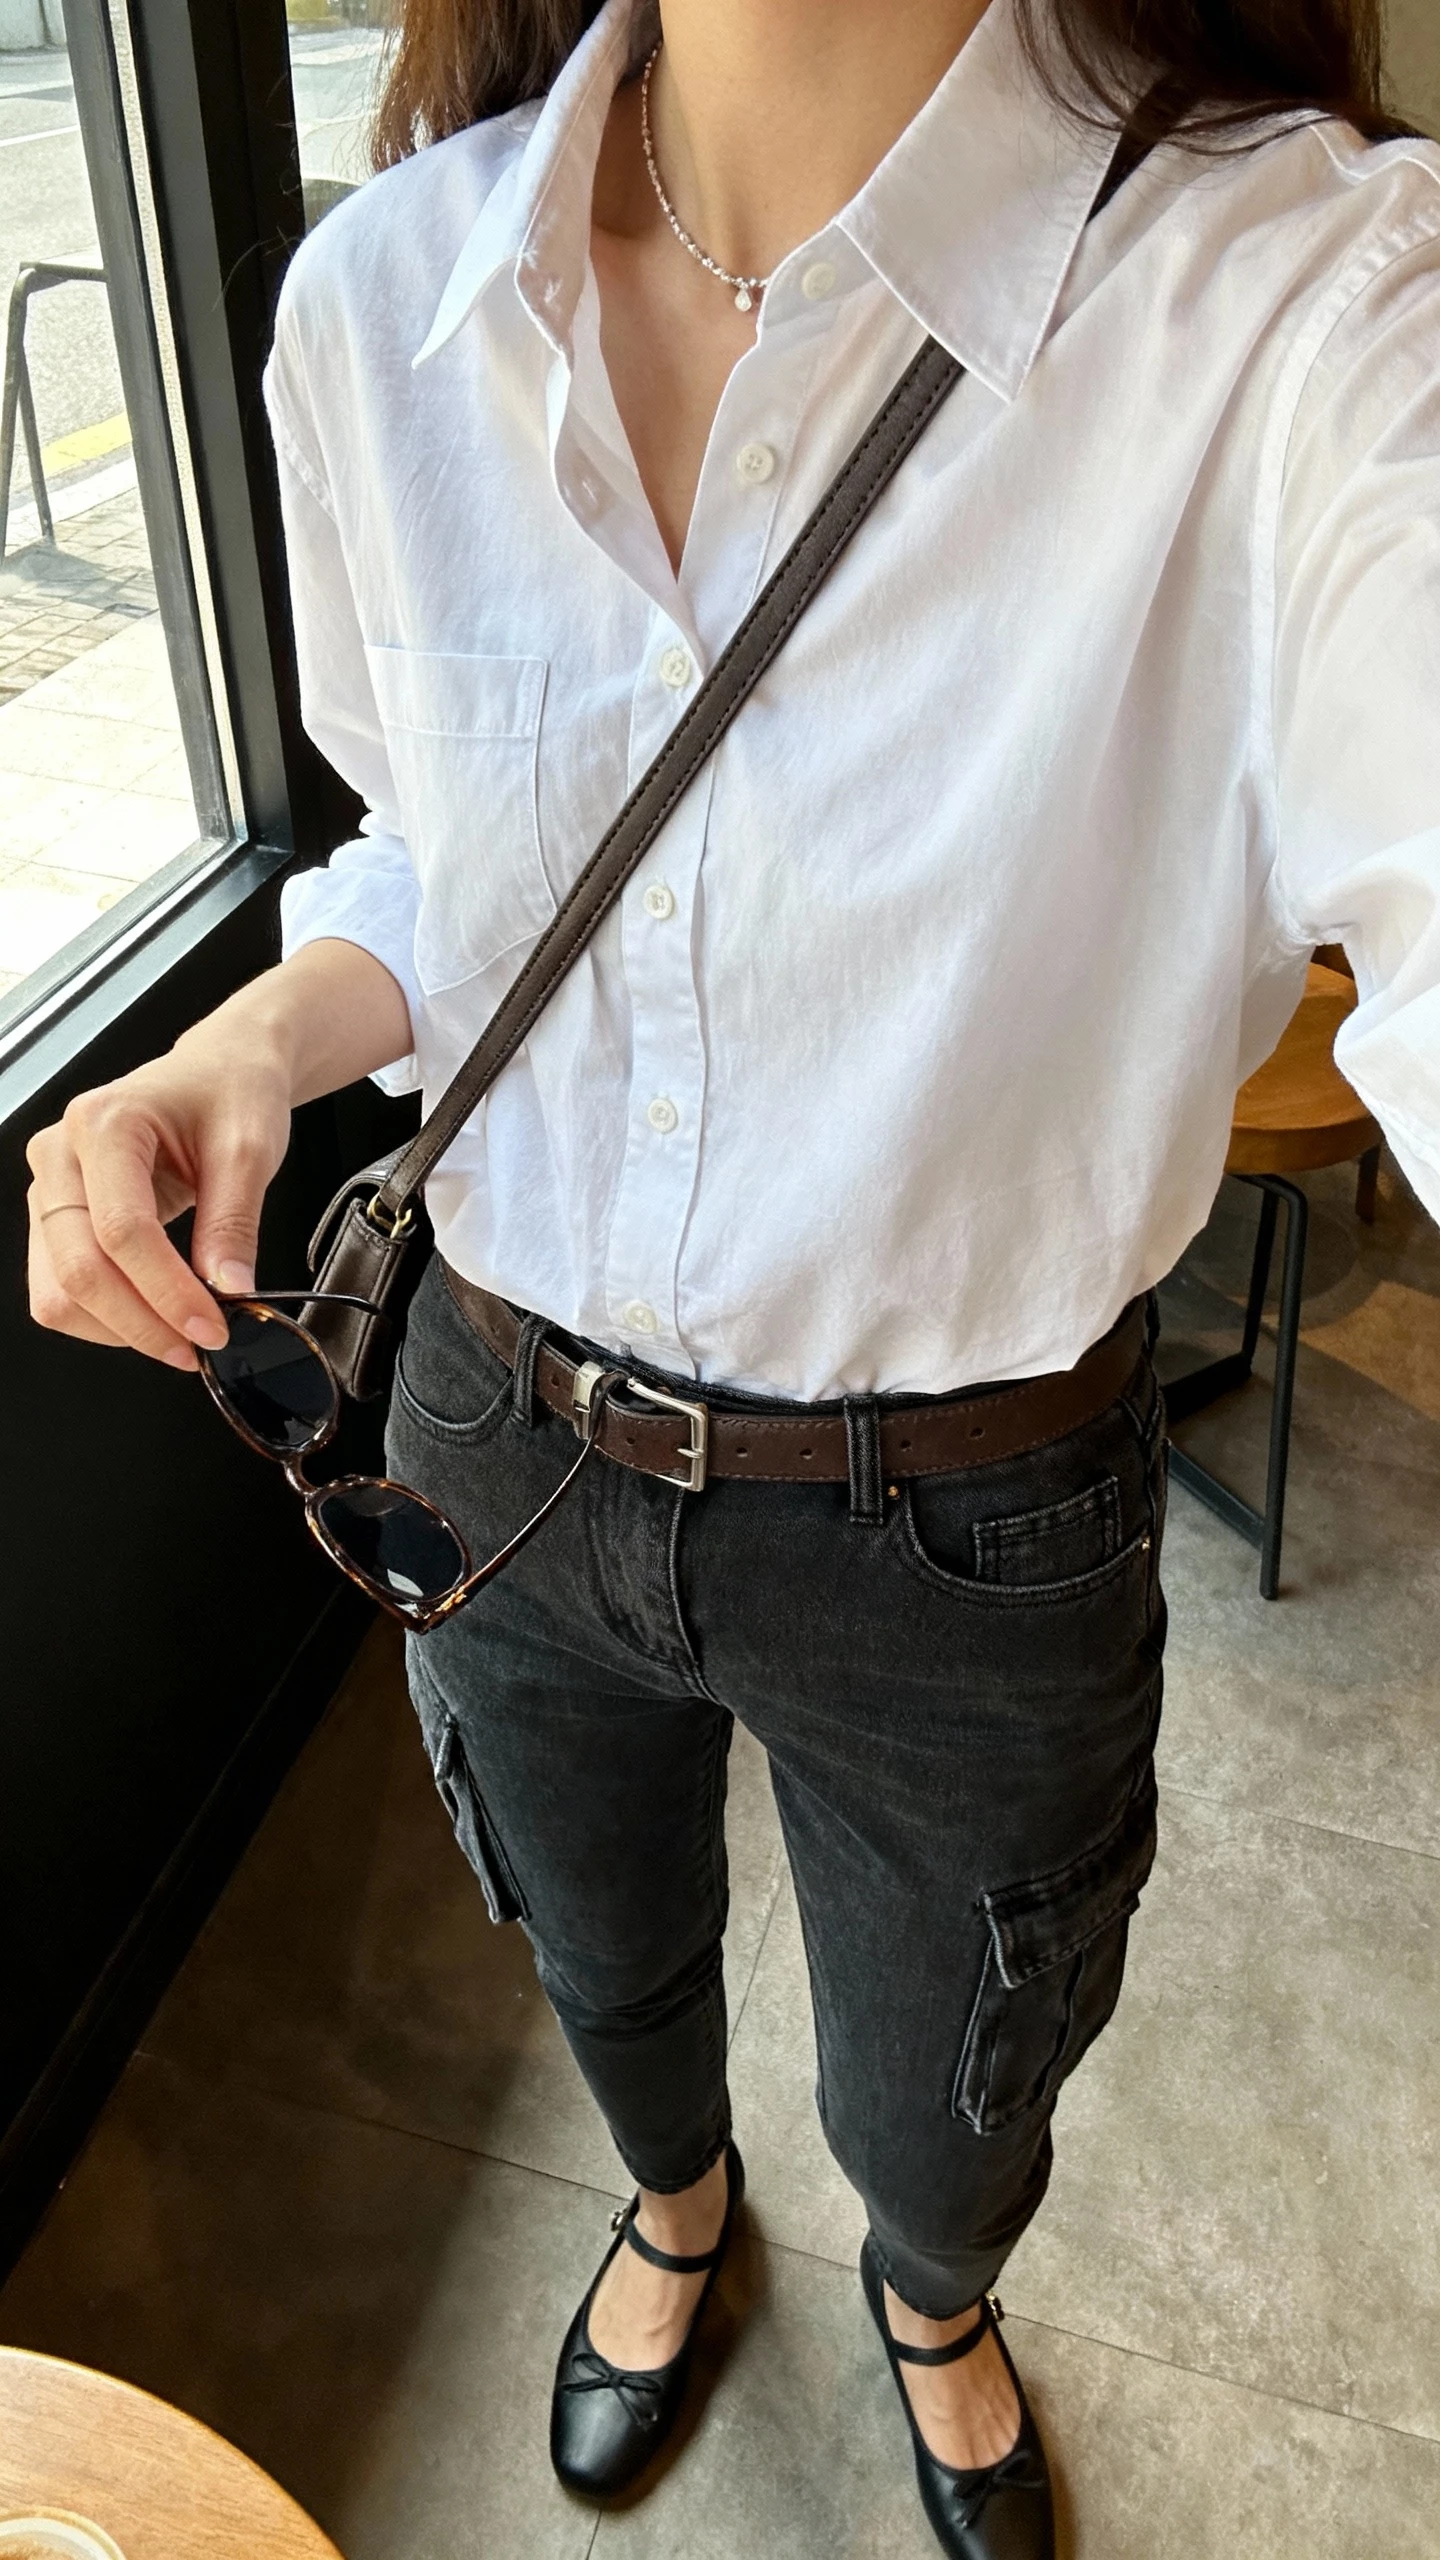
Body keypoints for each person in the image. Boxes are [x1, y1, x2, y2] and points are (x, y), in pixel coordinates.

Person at [25, 0, 1440, 2548]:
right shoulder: (384, 303)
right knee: (595, 1937)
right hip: (489, 1430)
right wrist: (259, 1022)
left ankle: (930, 2293)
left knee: (955, 2068)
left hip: (965, 1517)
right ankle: (673, 2206)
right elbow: (449, 863)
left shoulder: (1300, 318)